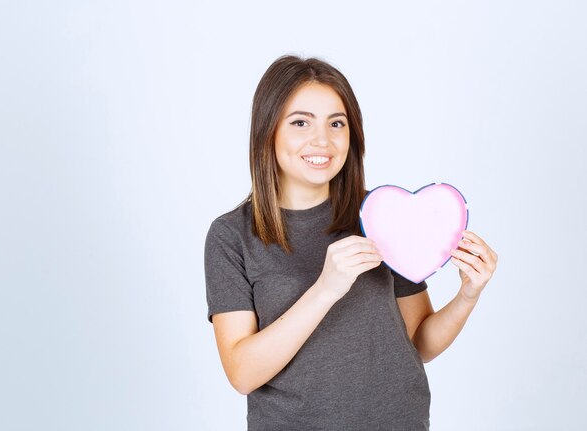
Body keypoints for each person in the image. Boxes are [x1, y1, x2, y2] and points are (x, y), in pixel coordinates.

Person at [204, 54, 498, 430]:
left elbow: (420, 343)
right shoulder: (232, 236)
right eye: (300, 122)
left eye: (336, 123)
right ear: (268, 131)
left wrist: (467, 296)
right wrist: (325, 289)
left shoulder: (382, 214)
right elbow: (242, 373)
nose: (322, 140)